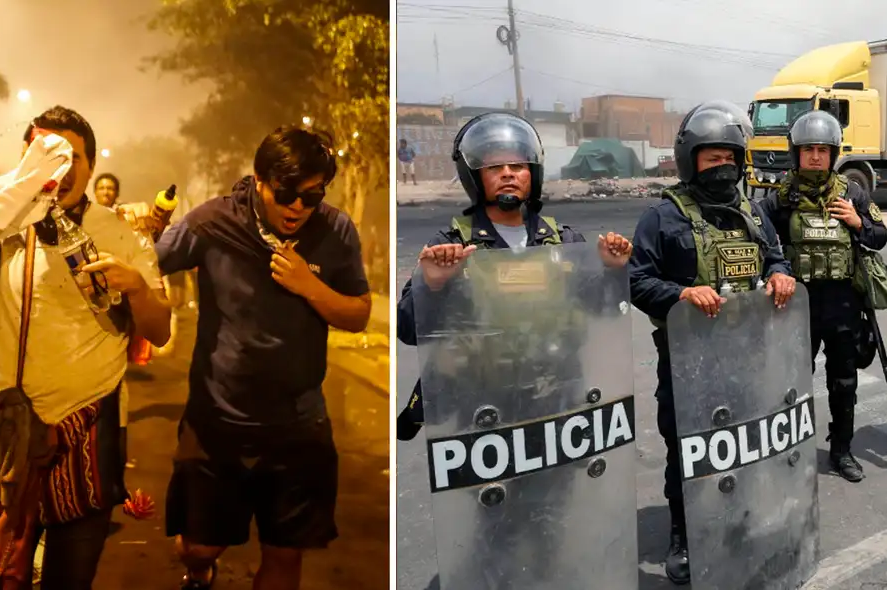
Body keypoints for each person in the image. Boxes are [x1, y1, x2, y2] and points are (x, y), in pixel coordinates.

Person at [0, 105, 171, 589]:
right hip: (14, 431)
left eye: (73, 157)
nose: (62, 168)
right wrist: (4, 203)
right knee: (1, 573)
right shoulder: (6, 223)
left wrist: (136, 287)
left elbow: (158, 330)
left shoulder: (121, 231)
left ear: (91, 166)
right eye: (47, 155)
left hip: (88, 428)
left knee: (68, 578)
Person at [154, 126, 371, 590]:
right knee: (198, 546)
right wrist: (132, 234)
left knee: (285, 554)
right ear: (259, 180)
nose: (297, 208)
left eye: (311, 196)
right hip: (217, 422)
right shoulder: (212, 223)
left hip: (298, 426)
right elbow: (149, 261)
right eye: (286, 194)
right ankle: (200, 569)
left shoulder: (334, 230)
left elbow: (359, 314)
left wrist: (309, 285)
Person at [628, 101, 798, 585]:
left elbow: (775, 257)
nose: (722, 166)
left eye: (729, 158)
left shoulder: (752, 212)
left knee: (746, 442)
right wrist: (680, 294)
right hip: (688, 360)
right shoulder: (662, 217)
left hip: (748, 355)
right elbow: (637, 280)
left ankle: (741, 520)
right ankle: (684, 533)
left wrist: (780, 275)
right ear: (691, 161)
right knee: (687, 448)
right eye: (711, 158)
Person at [395, 111, 632, 435]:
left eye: (518, 165)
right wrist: (432, 285)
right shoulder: (451, 247)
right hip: (484, 407)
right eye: (494, 167)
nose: (508, 173)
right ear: (474, 176)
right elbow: (409, 330)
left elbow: (605, 310)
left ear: (533, 173)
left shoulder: (564, 242)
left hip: (559, 399)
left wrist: (613, 271)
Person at [757, 109, 887, 483]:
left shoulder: (852, 193)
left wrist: (858, 222)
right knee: (793, 380)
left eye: (822, 150)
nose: (815, 157)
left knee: (843, 381)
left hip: (843, 304)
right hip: (797, 305)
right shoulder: (781, 198)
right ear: (796, 153)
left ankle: (842, 450)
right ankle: (790, 451)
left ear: (833, 154)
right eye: (808, 149)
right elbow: (758, 239)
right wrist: (774, 272)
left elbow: (880, 236)